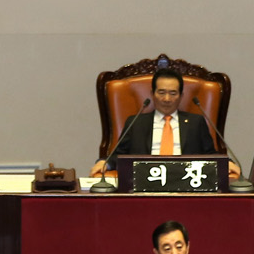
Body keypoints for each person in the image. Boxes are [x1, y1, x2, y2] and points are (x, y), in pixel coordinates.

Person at [93, 69, 238, 179]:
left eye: (173, 93)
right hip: (145, 180)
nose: (167, 99)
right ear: (152, 93)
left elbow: (210, 155)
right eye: (161, 92)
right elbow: (118, 155)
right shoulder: (136, 122)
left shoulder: (196, 122)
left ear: (181, 96)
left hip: (186, 180)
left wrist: (227, 163)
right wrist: (105, 163)